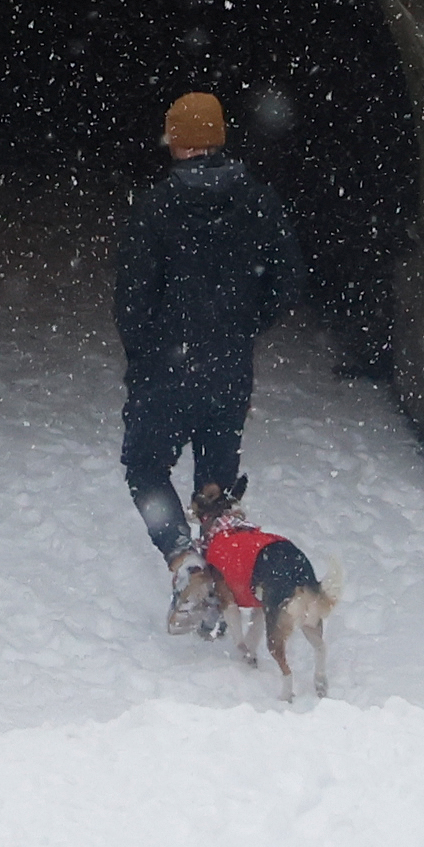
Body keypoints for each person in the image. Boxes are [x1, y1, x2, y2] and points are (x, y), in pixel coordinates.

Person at [115, 90, 306, 553]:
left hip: (167, 366)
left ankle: (183, 559)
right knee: (216, 489)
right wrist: (243, 324)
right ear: (219, 139)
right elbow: (290, 281)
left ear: (176, 141)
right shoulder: (259, 202)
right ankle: (223, 570)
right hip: (228, 364)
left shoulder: (155, 207)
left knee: (145, 466)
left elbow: (131, 299)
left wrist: (147, 352)